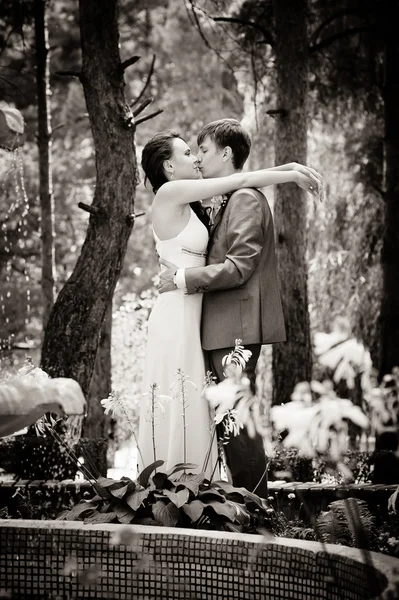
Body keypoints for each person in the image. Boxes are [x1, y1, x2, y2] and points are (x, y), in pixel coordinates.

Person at [138, 121, 322, 485]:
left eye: (200, 150)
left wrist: (289, 170)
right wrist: (288, 172)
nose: (196, 157)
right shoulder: (172, 194)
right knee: (194, 406)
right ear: (169, 167)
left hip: (209, 317)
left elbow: (239, 186)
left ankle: (229, 496)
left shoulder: (220, 200)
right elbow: (238, 179)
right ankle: (172, 488)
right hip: (181, 316)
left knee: (221, 411)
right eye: (189, 152)